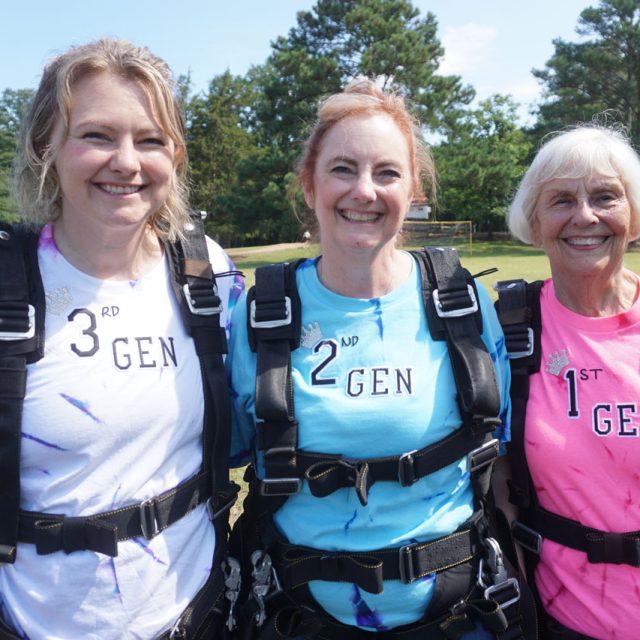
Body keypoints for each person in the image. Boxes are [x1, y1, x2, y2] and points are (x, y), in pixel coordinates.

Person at [228, 79, 518, 639]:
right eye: (343, 169)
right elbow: (228, 453)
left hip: (457, 618)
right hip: (304, 618)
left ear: (413, 191)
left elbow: (496, 447)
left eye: (386, 172)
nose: (364, 191)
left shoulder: (459, 302)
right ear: (309, 185)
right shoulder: (262, 314)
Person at [0, 39, 244, 639]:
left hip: (198, 613)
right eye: (97, 136)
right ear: (46, 149)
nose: (127, 162)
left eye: (150, 139)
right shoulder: (10, 280)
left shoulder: (206, 272)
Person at [498, 125, 640, 640]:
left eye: (605, 196)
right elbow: (496, 475)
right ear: (534, 224)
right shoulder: (508, 329)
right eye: (561, 200)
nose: (585, 216)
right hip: (559, 619)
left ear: (633, 215)